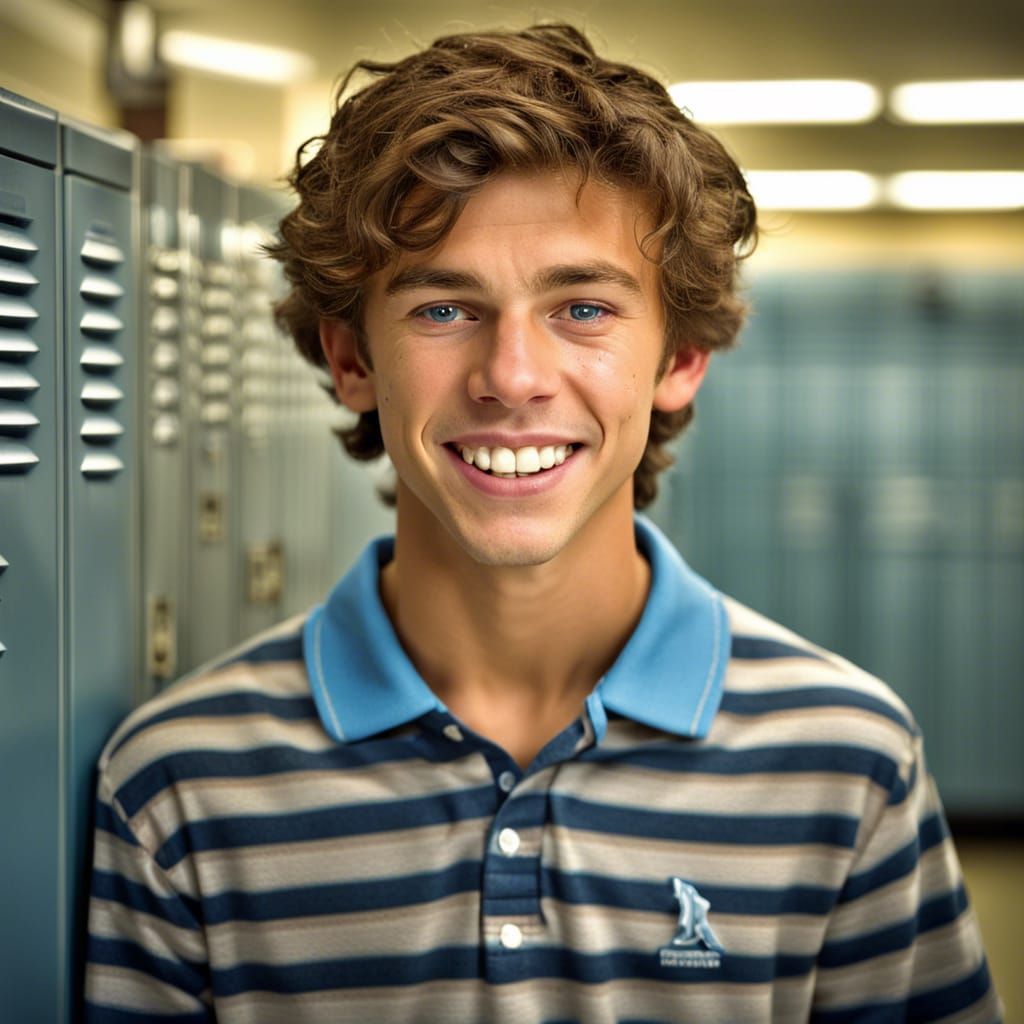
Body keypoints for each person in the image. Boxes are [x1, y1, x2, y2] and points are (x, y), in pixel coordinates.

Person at [83, 23, 1001, 1023]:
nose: (511, 376)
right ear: (351, 360)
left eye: (582, 309)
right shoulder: (178, 786)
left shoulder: (847, 761)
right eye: (443, 309)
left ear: (680, 356)